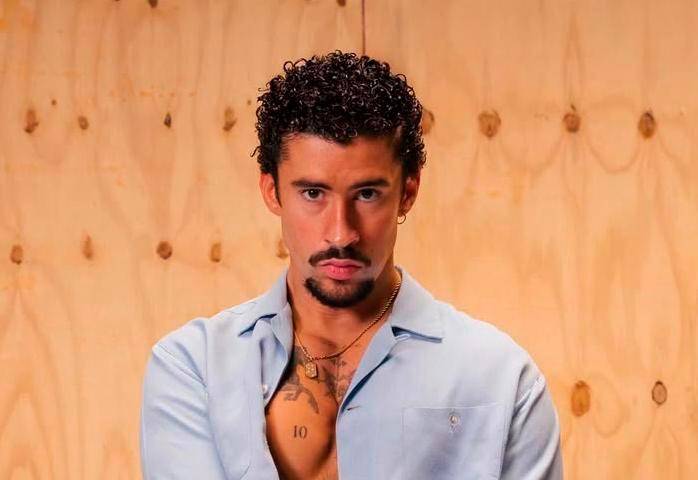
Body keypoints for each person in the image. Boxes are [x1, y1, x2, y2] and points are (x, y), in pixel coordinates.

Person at [139, 51, 563, 480]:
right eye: (313, 194)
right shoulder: (195, 369)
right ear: (272, 191)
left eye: (367, 194)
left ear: (408, 192)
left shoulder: (501, 379)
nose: (341, 234)